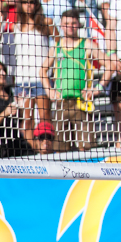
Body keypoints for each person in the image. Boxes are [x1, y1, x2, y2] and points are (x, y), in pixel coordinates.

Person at [41, 9, 109, 151]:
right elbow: (42, 71)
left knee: (86, 146)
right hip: (61, 103)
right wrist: (49, 91)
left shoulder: (87, 45)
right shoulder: (56, 48)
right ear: (61, 25)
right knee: (60, 148)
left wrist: (98, 88)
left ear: (78, 24)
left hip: (81, 102)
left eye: (73, 23)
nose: (70, 26)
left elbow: (110, 65)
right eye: (66, 23)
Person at [0, 58, 32, 157]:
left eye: (3, 70)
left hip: (17, 142)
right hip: (1, 145)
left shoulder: (9, 93)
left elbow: (18, 120)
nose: (3, 73)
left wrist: (20, 107)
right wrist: (5, 113)